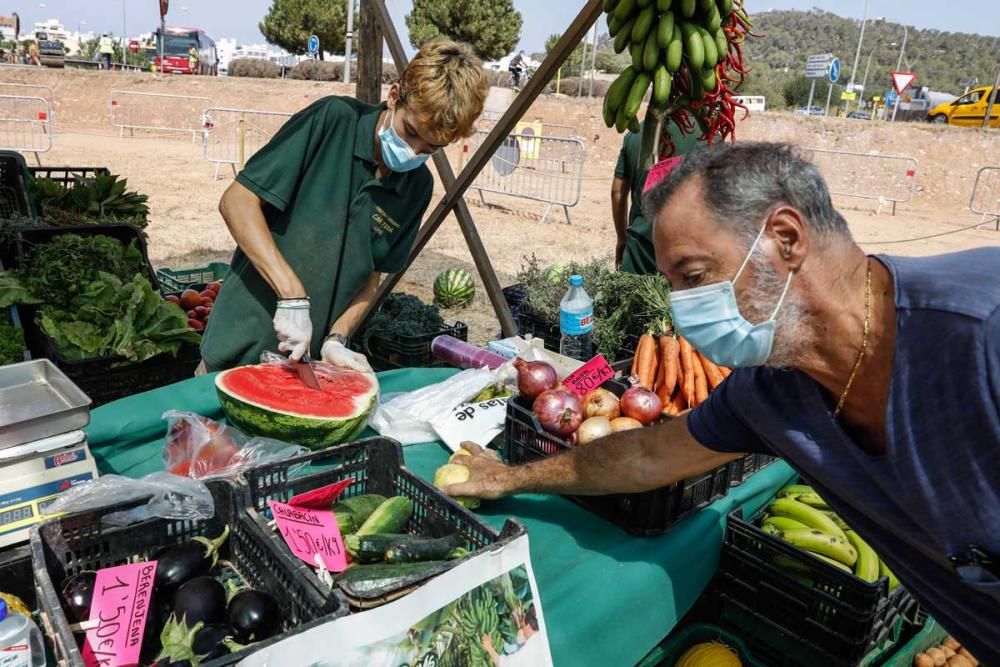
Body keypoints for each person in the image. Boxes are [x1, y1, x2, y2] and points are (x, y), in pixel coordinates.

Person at [446, 142, 1000, 662]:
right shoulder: (771, 390)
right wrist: (509, 478)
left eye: (694, 277)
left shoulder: (980, 331)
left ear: (786, 239)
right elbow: (648, 455)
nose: (684, 311)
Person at [198, 41, 488, 373]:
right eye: (410, 132)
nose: (413, 151)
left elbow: (371, 278)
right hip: (238, 346)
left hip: (308, 365)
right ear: (394, 96)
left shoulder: (417, 188)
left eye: (431, 147)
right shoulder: (332, 120)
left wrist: (337, 338)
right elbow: (237, 202)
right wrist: (291, 294)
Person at [612, 121, 700, 273]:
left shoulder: (634, 134)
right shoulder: (707, 135)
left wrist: (621, 237)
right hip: (683, 257)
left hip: (638, 254)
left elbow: (617, 192)